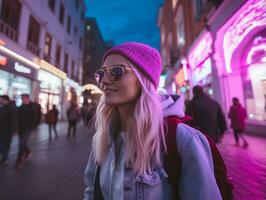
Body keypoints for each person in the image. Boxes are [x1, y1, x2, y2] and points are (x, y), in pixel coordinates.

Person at [84, 42, 222, 200]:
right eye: (101, 73)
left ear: (143, 79)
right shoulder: (102, 138)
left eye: (116, 72)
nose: (104, 81)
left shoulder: (182, 139)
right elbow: (91, 191)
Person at [15, 94, 35, 170]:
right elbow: (17, 117)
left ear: (27, 98)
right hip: (20, 128)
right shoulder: (21, 107)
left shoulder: (32, 107)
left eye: (23, 98)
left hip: (28, 129)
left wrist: (32, 127)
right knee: (23, 143)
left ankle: (18, 162)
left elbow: (34, 118)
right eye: (21, 98)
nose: (22, 99)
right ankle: (28, 151)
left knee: (21, 144)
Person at [0, 95, 16, 165]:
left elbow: (14, 120)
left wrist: (13, 131)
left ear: (5, 100)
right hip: (2, 130)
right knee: (2, 145)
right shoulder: (2, 107)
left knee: (5, 145)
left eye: (1, 99)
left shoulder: (11, 108)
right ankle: (5, 157)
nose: (0, 101)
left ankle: (5, 158)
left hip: (7, 131)